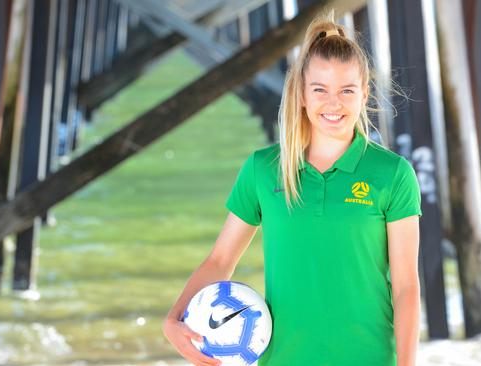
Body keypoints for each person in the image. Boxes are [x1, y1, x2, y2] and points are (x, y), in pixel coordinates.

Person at [163, 10, 422, 366]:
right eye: (320, 90)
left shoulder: (393, 174)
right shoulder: (263, 169)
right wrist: (174, 319)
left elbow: (406, 287)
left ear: (364, 94)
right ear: (301, 94)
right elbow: (221, 260)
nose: (334, 103)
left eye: (347, 90)